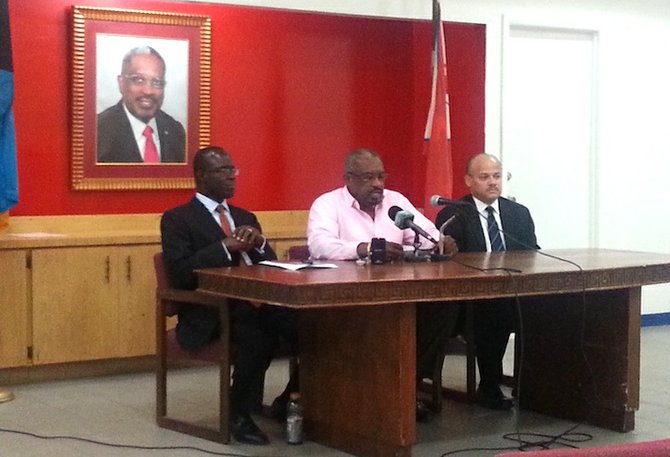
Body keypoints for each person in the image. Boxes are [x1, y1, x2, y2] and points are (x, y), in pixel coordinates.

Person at [307, 147, 459, 423]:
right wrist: (365, 248)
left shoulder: (395, 201)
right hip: (347, 297)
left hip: (398, 292)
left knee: (441, 309)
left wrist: (439, 240)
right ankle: (367, 392)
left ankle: (407, 386)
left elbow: (425, 234)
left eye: (381, 176)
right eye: (368, 178)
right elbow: (319, 245)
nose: (378, 184)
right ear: (349, 179)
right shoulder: (327, 205)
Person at [160, 146, 297, 445]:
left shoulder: (245, 216)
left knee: (311, 325)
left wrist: (259, 242)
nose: (232, 176)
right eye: (223, 170)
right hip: (210, 311)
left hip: (258, 302)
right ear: (201, 175)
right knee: (257, 329)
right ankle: (238, 413)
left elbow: (268, 265)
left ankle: (289, 400)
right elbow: (181, 272)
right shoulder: (177, 219)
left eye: (233, 169)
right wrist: (224, 248)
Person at [435, 153, 538, 410]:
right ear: (468, 180)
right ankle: (489, 387)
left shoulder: (519, 213)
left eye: (496, 176)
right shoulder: (454, 214)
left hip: (513, 290)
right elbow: (449, 263)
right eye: (484, 177)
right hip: (470, 300)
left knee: (544, 308)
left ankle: (532, 385)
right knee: (496, 311)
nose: (493, 182)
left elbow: (532, 252)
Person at [97, 46, 186, 163]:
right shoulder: (98, 131)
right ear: (121, 83)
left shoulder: (175, 131)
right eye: (138, 80)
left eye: (157, 82)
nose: (148, 91)